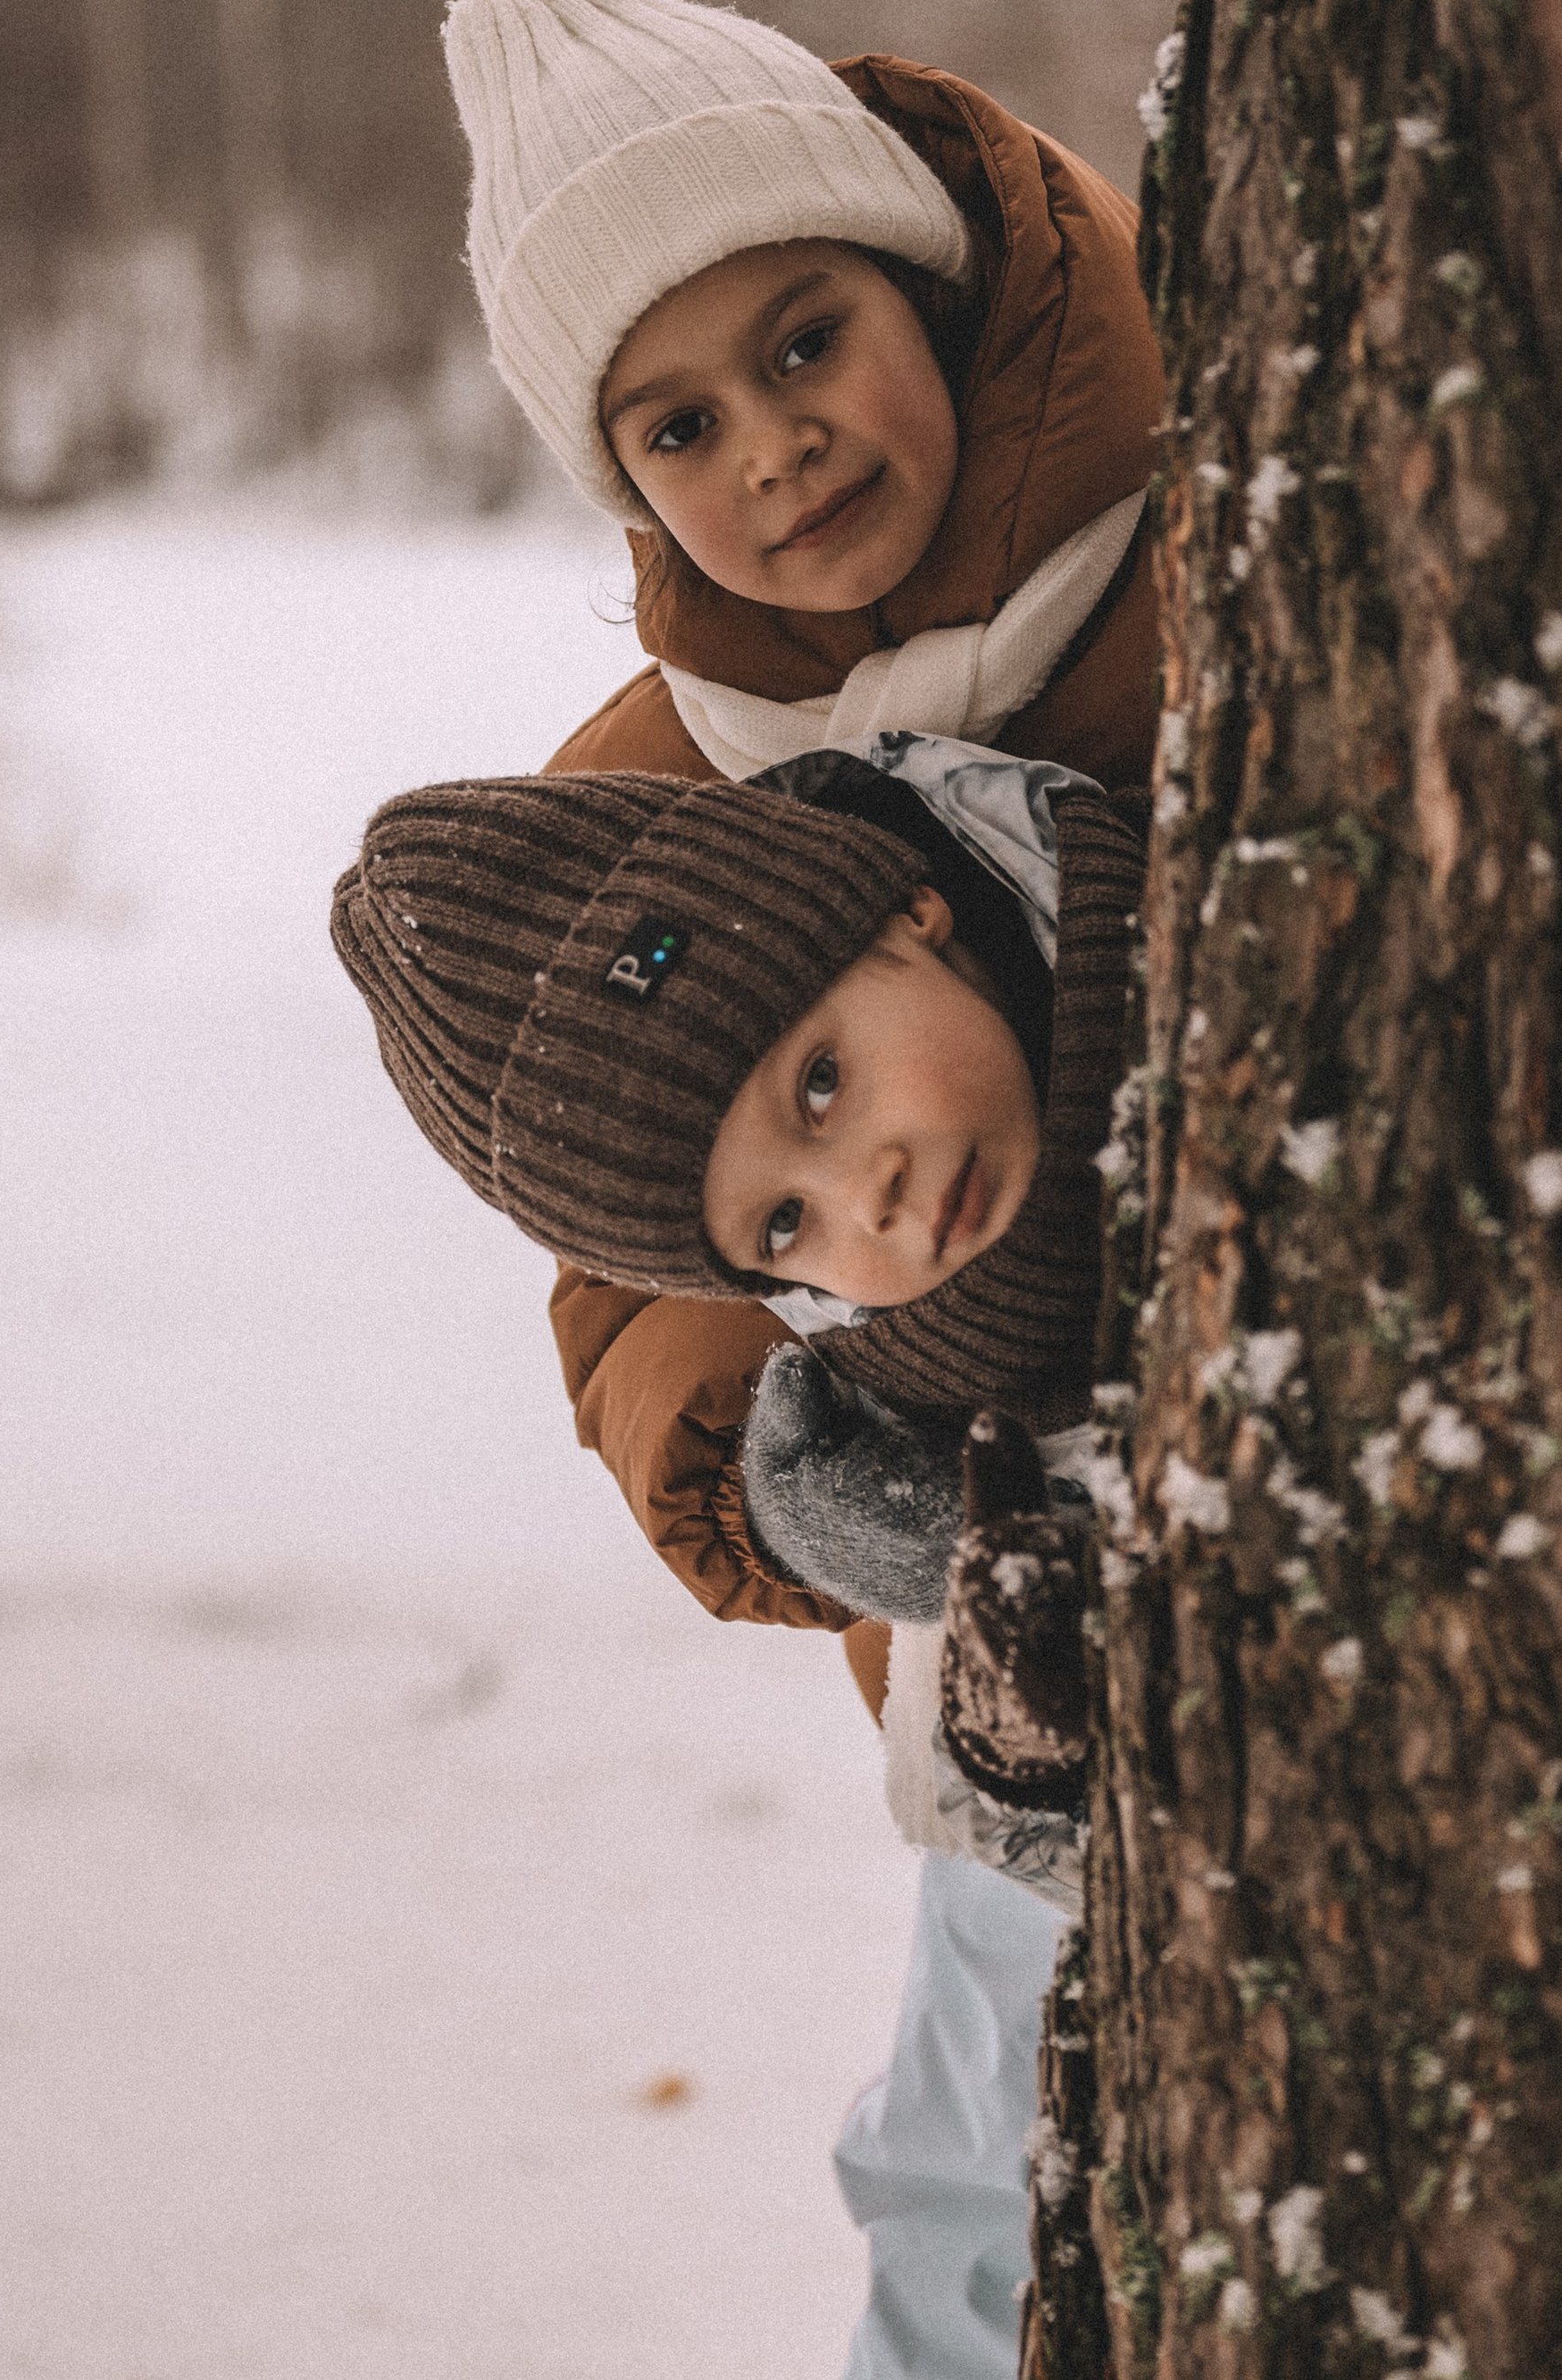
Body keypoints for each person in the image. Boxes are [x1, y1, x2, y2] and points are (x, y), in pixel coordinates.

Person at [332, 731, 1140, 2376]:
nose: (878, 1203)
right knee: (966, 2167)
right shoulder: (893, 1357)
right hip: (1060, 1797)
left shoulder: (1164, 930)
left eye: (825, 1086)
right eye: (786, 1229)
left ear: (910, 910)